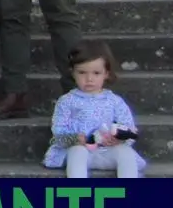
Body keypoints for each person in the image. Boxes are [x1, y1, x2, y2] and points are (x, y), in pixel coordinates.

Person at [43, 40, 144, 179]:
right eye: (82, 72)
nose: (89, 78)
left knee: (125, 153)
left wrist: (119, 138)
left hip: (107, 152)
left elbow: (130, 128)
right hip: (79, 151)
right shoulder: (67, 101)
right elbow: (58, 133)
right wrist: (75, 139)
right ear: (73, 73)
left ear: (106, 73)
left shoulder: (114, 101)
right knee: (77, 152)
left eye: (96, 73)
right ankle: (78, 194)